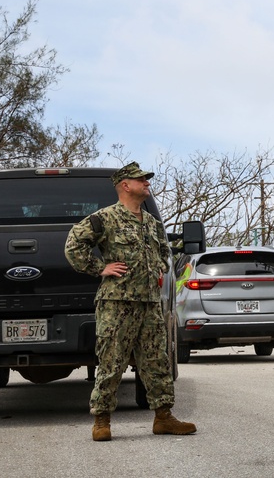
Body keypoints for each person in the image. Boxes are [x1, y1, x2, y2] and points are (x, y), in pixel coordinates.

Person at [65, 162, 197, 442]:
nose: (147, 183)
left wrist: (160, 266)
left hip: (149, 303)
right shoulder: (105, 218)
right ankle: (102, 420)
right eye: (141, 180)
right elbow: (74, 244)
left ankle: (163, 417)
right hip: (117, 303)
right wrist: (99, 268)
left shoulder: (151, 222)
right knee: (111, 362)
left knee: (157, 361)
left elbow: (163, 252)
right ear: (125, 185)